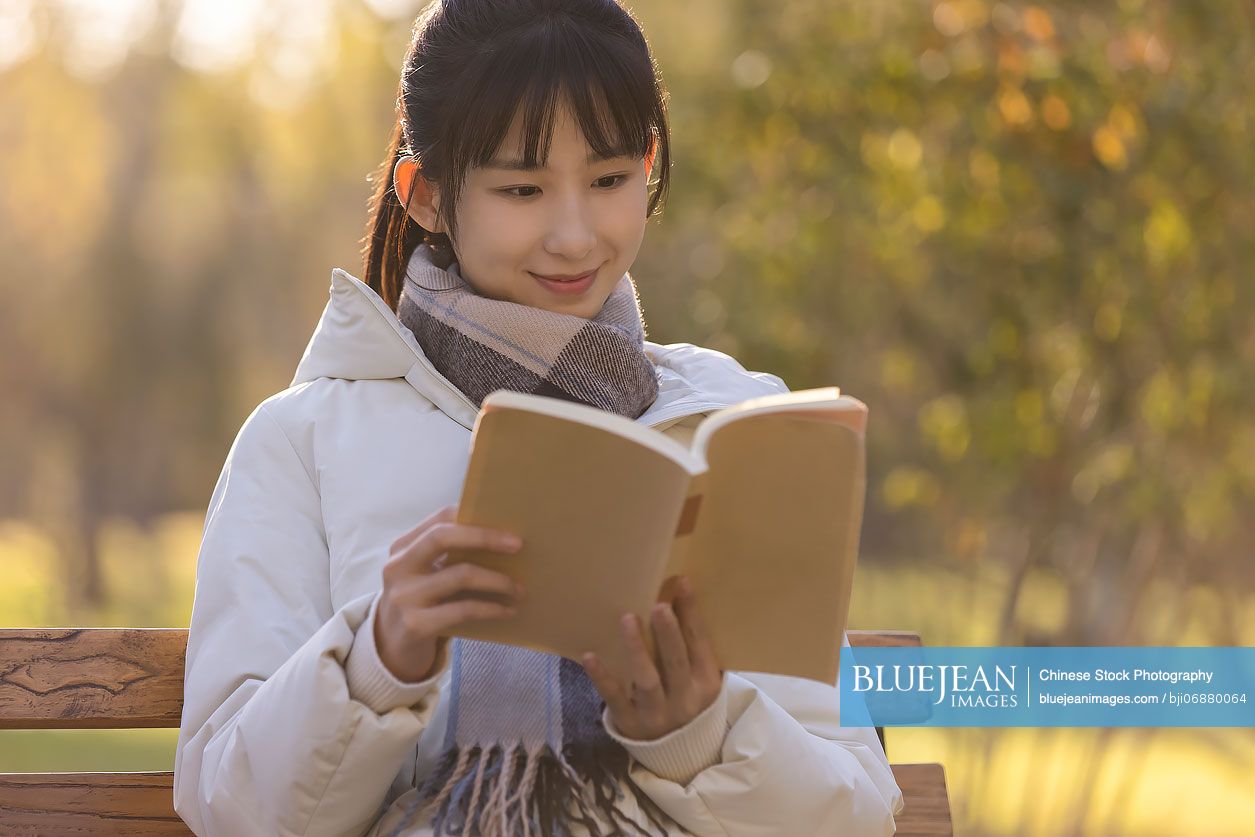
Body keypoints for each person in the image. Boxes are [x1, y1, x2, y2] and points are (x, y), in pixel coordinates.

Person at [173, 1, 904, 834]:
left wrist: (698, 735)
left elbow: (855, 811)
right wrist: (375, 662)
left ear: (649, 163)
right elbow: (230, 805)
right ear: (426, 196)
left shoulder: (735, 422)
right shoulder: (302, 442)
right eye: (521, 188)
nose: (573, 234)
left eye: (609, 180)